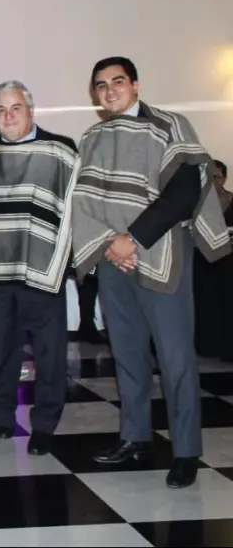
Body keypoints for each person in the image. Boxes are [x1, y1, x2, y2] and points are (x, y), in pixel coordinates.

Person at [71, 56, 231, 488]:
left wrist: (133, 238)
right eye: (100, 85)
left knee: (176, 357)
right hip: (112, 258)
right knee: (127, 353)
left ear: (135, 85)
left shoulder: (169, 125)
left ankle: (186, 452)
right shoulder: (92, 137)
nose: (109, 90)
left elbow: (185, 191)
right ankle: (135, 437)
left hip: (161, 252)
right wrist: (109, 243)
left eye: (117, 81)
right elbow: (82, 201)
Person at [0, 80, 80, 456]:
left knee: (49, 352)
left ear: (31, 110)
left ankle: (45, 425)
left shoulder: (61, 151)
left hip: (42, 269)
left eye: (16, 108)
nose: (8, 115)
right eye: (1, 109)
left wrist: (65, 266)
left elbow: (74, 211)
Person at [193, 160, 233, 361]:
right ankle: (204, 344)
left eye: (217, 177)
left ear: (224, 179)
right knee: (203, 303)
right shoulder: (196, 202)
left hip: (227, 262)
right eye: (209, 177)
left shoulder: (231, 200)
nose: (213, 182)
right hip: (202, 260)